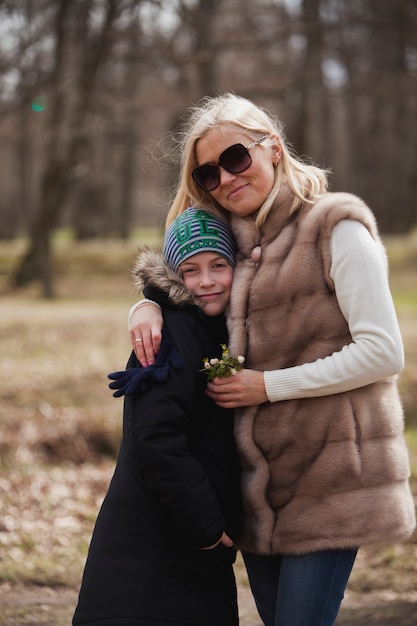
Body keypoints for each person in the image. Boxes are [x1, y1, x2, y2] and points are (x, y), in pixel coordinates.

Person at [127, 93, 416, 626]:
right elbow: (194, 283)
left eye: (236, 158)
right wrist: (147, 305)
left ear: (274, 149)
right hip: (258, 490)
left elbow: (383, 351)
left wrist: (267, 386)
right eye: (209, 174)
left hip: (331, 482)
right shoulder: (234, 242)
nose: (226, 178)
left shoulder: (337, 229)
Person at [72, 208, 243, 626]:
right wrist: (207, 528)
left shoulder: (215, 330)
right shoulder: (169, 336)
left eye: (218, 265)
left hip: (183, 546)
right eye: (190, 269)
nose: (206, 280)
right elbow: (155, 440)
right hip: (156, 551)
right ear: (172, 277)